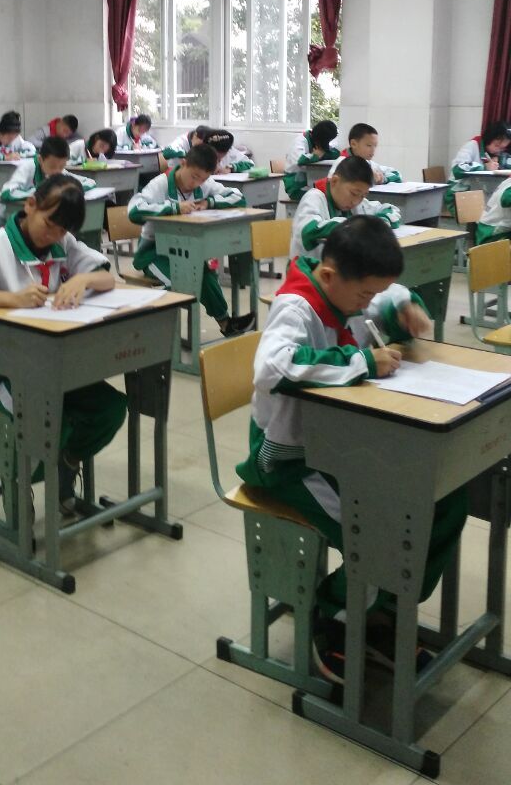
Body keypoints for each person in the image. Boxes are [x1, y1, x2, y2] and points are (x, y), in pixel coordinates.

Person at [236, 216, 466, 684]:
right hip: (289, 461)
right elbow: (270, 368)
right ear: (328, 275)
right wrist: (361, 360)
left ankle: (381, 608)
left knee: (444, 501)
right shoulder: (296, 307)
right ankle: (335, 614)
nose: (368, 302)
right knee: (382, 530)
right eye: (364, 294)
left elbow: (388, 298)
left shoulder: (347, 293)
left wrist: (406, 309)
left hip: (345, 449)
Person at [0, 174, 127, 513]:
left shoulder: (63, 242)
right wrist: (12, 299)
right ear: (30, 205)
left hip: (48, 359)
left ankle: (65, 465)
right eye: (49, 224)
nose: (53, 235)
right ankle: (19, 483)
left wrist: (83, 278)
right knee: (49, 424)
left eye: (61, 230)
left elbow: (106, 278)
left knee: (109, 408)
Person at [128, 142, 254, 337]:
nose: (196, 184)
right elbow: (134, 211)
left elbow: (238, 198)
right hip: (154, 253)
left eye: (203, 179)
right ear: (184, 163)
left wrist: (210, 202)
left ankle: (225, 322)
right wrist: (173, 208)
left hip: (186, 251)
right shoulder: (160, 184)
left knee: (204, 274)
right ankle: (156, 338)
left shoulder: (205, 184)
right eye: (194, 177)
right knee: (182, 282)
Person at [290, 156, 401, 261]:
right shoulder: (314, 198)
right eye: (354, 193)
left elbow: (391, 210)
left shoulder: (356, 203)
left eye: (363, 196)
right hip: (309, 271)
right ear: (334, 181)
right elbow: (309, 231)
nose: (356, 201)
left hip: (341, 270)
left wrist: (380, 223)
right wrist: (358, 226)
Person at [0, 135, 96, 234]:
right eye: (52, 166)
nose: (57, 171)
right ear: (41, 160)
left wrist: (71, 187)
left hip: (30, 218)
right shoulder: (28, 167)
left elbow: (90, 182)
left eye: (61, 166)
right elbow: (6, 193)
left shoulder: (60, 172)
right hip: (4, 215)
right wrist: (40, 192)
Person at [328, 123, 402, 185]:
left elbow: (397, 174)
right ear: (353, 144)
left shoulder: (368, 163)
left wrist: (383, 179)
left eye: (375, 146)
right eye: (369, 145)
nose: (373, 150)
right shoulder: (341, 163)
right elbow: (332, 186)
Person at [284, 121, 340, 201]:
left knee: (335, 193)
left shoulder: (318, 142)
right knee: (330, 197)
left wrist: (322, 153)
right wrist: (315, 155)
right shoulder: (299, 142)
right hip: (296, 186)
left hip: (311, 183)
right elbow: (300, 161)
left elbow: (334, 153)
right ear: (322, 140)